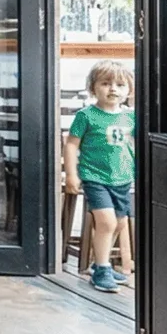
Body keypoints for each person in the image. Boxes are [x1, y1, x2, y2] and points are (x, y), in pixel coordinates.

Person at [62, 60, 137, 294]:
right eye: (106, 83)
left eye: (120, 84)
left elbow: (134, 145)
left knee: (121, 223)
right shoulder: (87, 116)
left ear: (129, 90)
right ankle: (103, 269)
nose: (113, 89)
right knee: (107, 222)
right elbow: (72, 144)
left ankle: (99, 263)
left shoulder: (130, 117)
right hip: (95, 177)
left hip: (122, 179)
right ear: (93, 88)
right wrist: (72, 174)